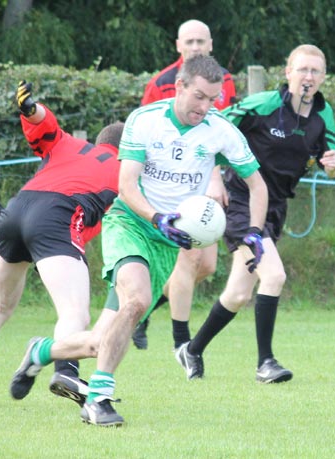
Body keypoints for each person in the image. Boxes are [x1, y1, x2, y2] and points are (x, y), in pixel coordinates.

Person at [10, 55, 268, 427]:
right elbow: (126, 186)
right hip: (130, 223)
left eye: (213, 99)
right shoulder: (144, 121)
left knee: (105, 337)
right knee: (138, 299)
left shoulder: (220, 129)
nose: (205, 107)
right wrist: (157, 218)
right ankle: (98, 400)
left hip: (167, 243)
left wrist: (255, 231)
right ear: (179, 86)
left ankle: (43, 350)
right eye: (199, 97)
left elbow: (257, 185)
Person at [0, 80, 124, 408]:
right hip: (56, 215)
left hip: (18, 209)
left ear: (99, 141)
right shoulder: (126, 169)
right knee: (74, 312)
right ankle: (67, 370)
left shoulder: (69, 144)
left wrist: (30, 108)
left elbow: (44, 123)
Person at [175, 44, 335, 383]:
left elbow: (334, 161)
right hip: (241, 200)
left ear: (323, 77)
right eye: (302, 70)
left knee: (238, 294)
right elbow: (213, 127)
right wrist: (214, 177)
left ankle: (192, 350)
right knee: (274, 275)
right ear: (288, 73)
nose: (308, 77)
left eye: (315, 71)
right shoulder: (264, 105)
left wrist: (331, 167)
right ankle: (265, 363)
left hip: (275, 207)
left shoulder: (322, 116)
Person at [134, 18, 237, 351]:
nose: (195, 47)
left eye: (200, 42)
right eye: (189, 42)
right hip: (170, 187)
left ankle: (144, 309)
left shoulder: (226, 82)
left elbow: (223, 135)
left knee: (206, 266)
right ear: (178, 45)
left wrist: (216, 176)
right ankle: (184, 344)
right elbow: (145, 135)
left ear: (210, 45)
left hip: (206, 183)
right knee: (189, 260)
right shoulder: (161, 82)